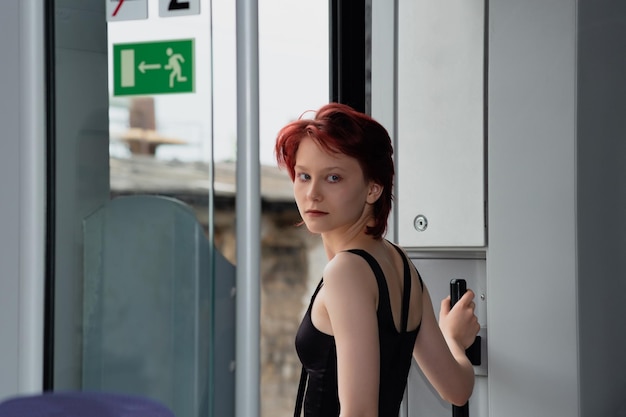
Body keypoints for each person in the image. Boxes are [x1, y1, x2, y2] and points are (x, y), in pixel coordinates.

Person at [275, 102, 480, 417]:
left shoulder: (346, 271)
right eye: (303, 176)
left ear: (373, 189)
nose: (312, 193)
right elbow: (457, 388)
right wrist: (452, 339)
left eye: (333, 178)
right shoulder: (399, 263)